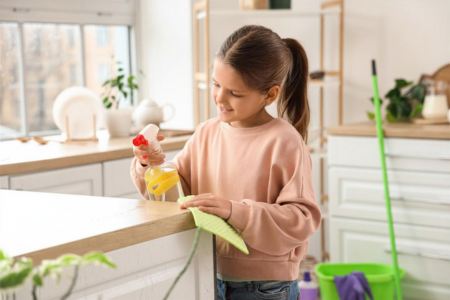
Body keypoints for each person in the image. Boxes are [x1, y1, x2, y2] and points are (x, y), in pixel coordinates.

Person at [130, 25, 322, 300]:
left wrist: (234, 211)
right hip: (206, 271)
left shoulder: (284, 141)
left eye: (235, 92)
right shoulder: (206, 132)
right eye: (216, 84)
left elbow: (301, 220)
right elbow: (176, 194)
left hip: (264, 287)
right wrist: (152, 166)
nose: (220, 97)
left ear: (269, 95)